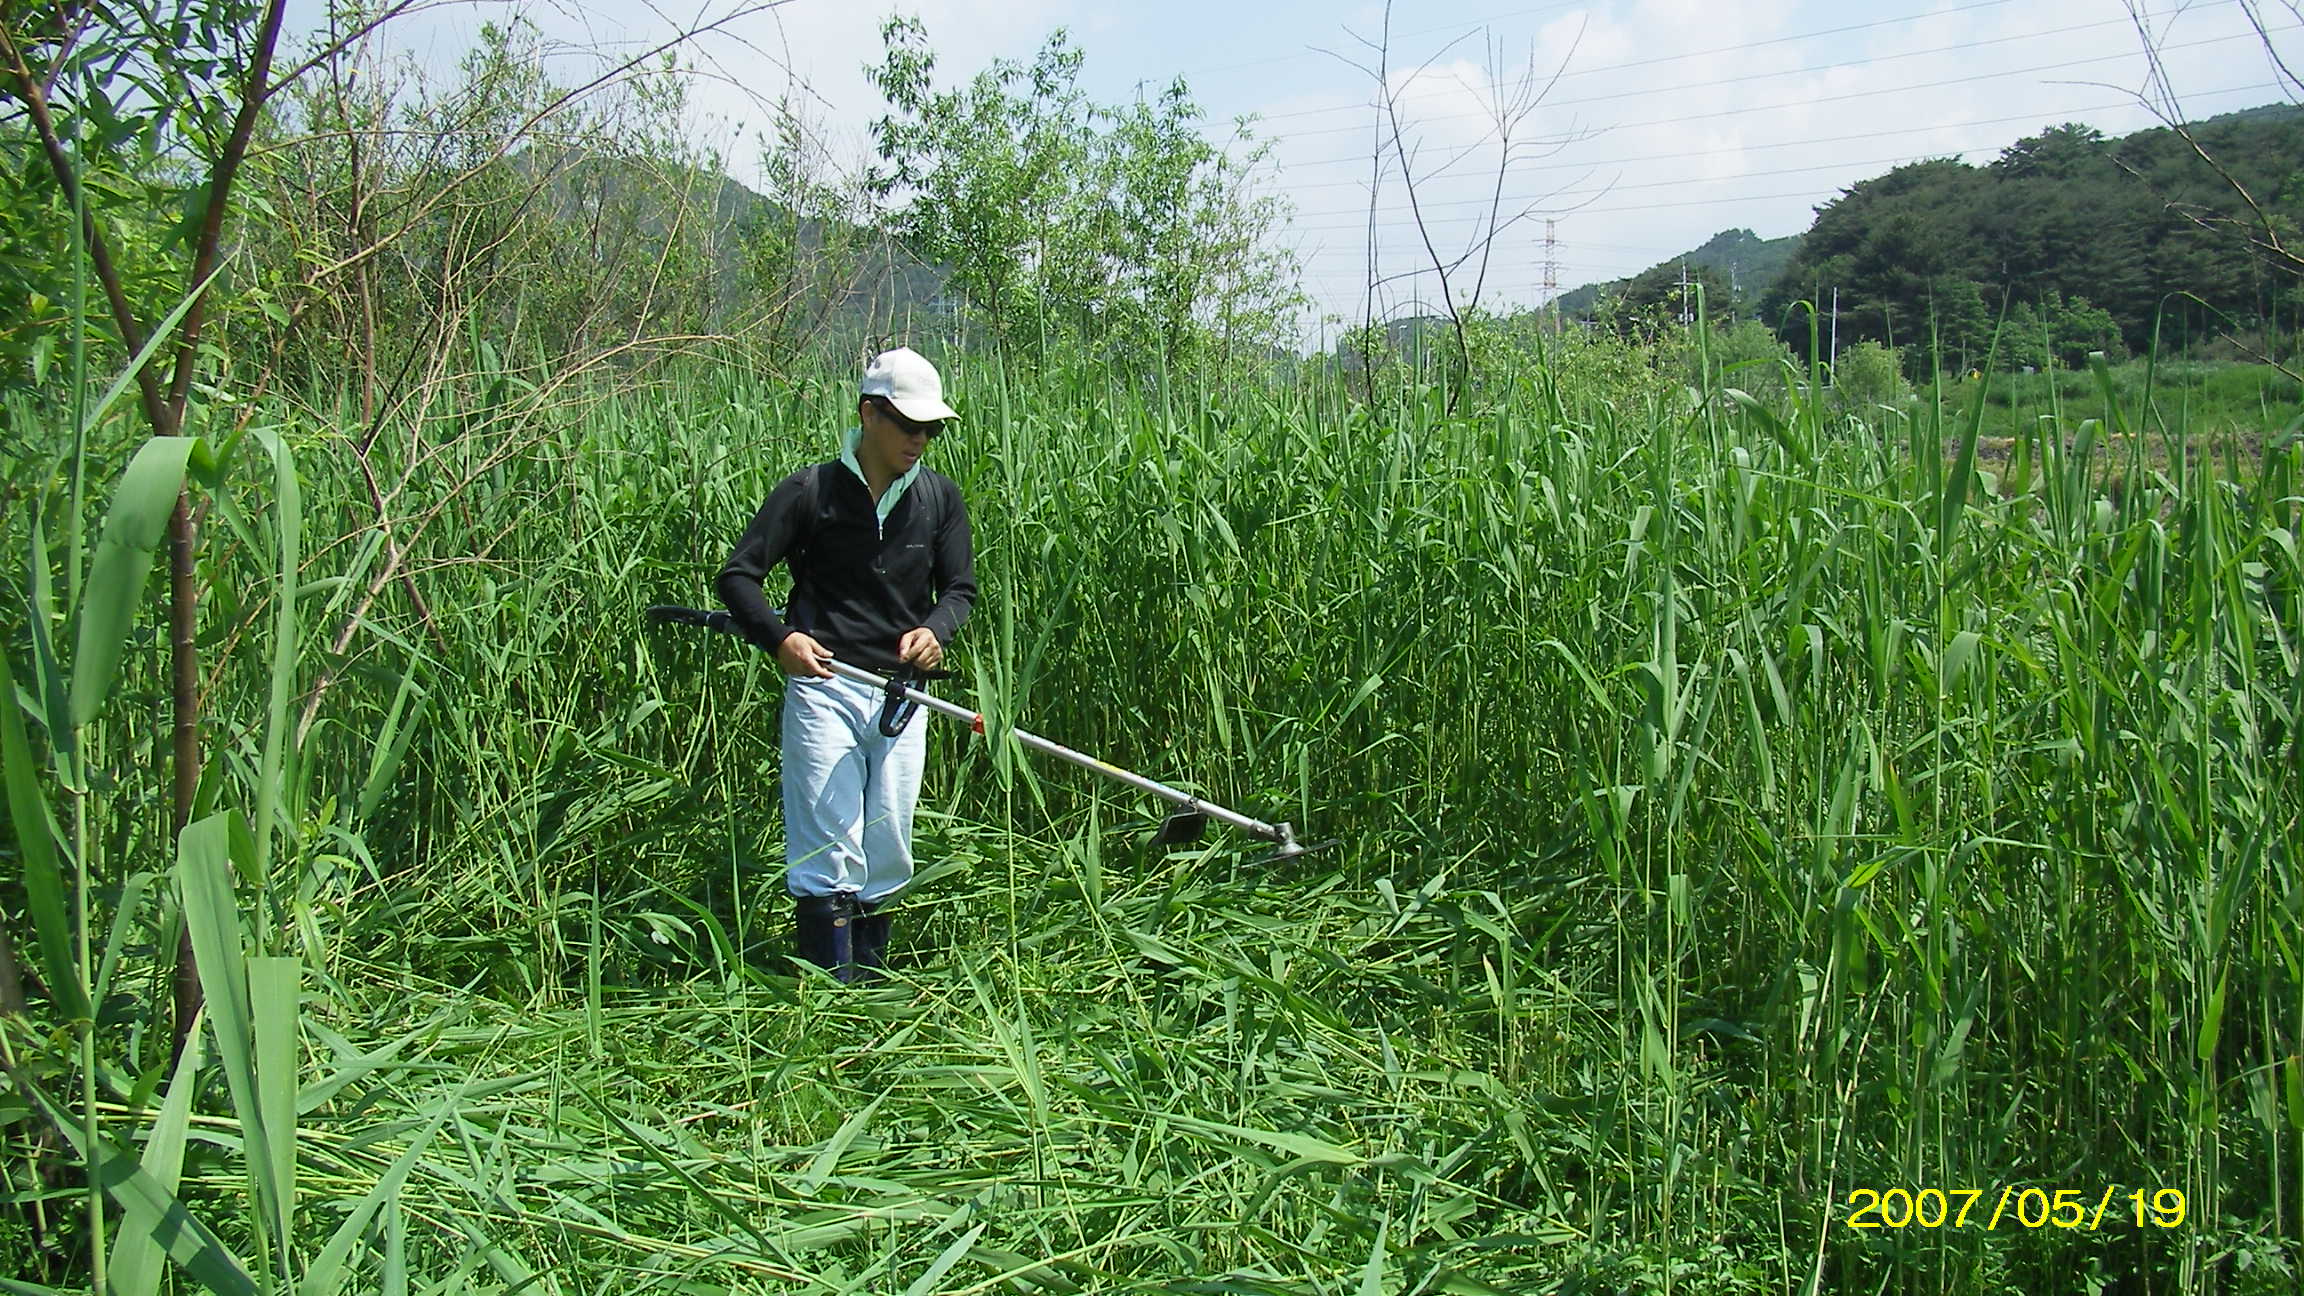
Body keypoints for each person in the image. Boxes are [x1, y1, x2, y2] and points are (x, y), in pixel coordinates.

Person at [716, 347, 975, 980]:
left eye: (931, 428)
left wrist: (935, 632)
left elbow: (960, 590)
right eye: (908, 425)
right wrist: (782, 640)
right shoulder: (811, 491)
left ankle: (869, 985)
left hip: (903, 694)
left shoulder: (939, 500)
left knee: (887, 844)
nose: (920, 439)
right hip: (824, 686)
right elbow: (738, 577)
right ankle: (828, 993)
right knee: (828, 841)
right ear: (868, 414)